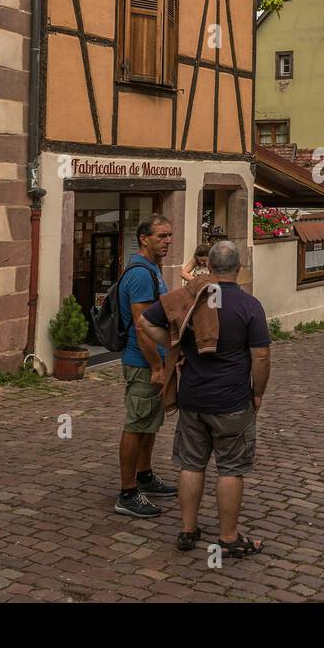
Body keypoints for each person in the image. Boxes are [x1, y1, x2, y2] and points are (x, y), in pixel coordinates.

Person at [141, 241, 271, 559]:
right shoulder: (249, 305)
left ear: (208, 268)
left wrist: (175, 343)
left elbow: (145, 322)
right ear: (238, 269)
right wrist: (258, 393)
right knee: (230, 469)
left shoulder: (190, 298)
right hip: (232, 400)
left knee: (191, 465)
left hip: (193, 398)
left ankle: (187, 530)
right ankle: (228, 537)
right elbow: (262, 355)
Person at [114, 215, 178, 518]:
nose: (167, 241)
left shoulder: (153, 269)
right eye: (161, 236)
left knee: (150, 423)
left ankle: (145, 476)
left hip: (155, 360)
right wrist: (156, 366)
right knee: (137, 424)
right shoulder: (140, 274)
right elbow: (142, 327)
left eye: (169, 236)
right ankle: (127, 494)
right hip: (142, 362)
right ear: (144, 239)